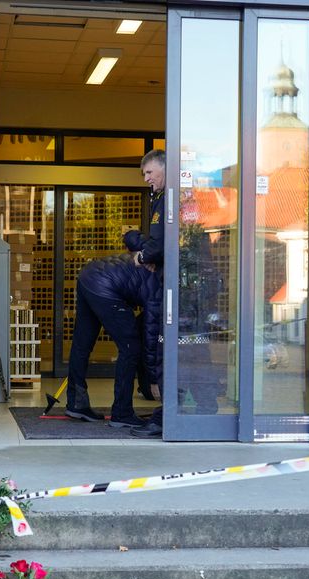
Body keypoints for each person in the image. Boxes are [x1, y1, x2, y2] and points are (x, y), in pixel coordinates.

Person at [65, 254, 162, 429]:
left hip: (89, 274)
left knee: (82, 344)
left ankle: (76, 403)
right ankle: (122, 413)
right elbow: (151, 336)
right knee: (131, 348)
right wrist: (154, 380)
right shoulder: (159, 288)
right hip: (106, 287)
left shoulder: (151, 259)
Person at [122, 150, 166, 437]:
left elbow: (159, 244)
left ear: (164, 169)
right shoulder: (158, 199)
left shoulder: (171, 199)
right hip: (162, 285)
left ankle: (165, 416)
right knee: (157, 346)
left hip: (172, 289)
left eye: (150, 172)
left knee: (161, 347)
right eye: (144, 174)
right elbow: (154, 243)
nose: (146, 178)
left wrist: (142, 255)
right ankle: (165, 412)